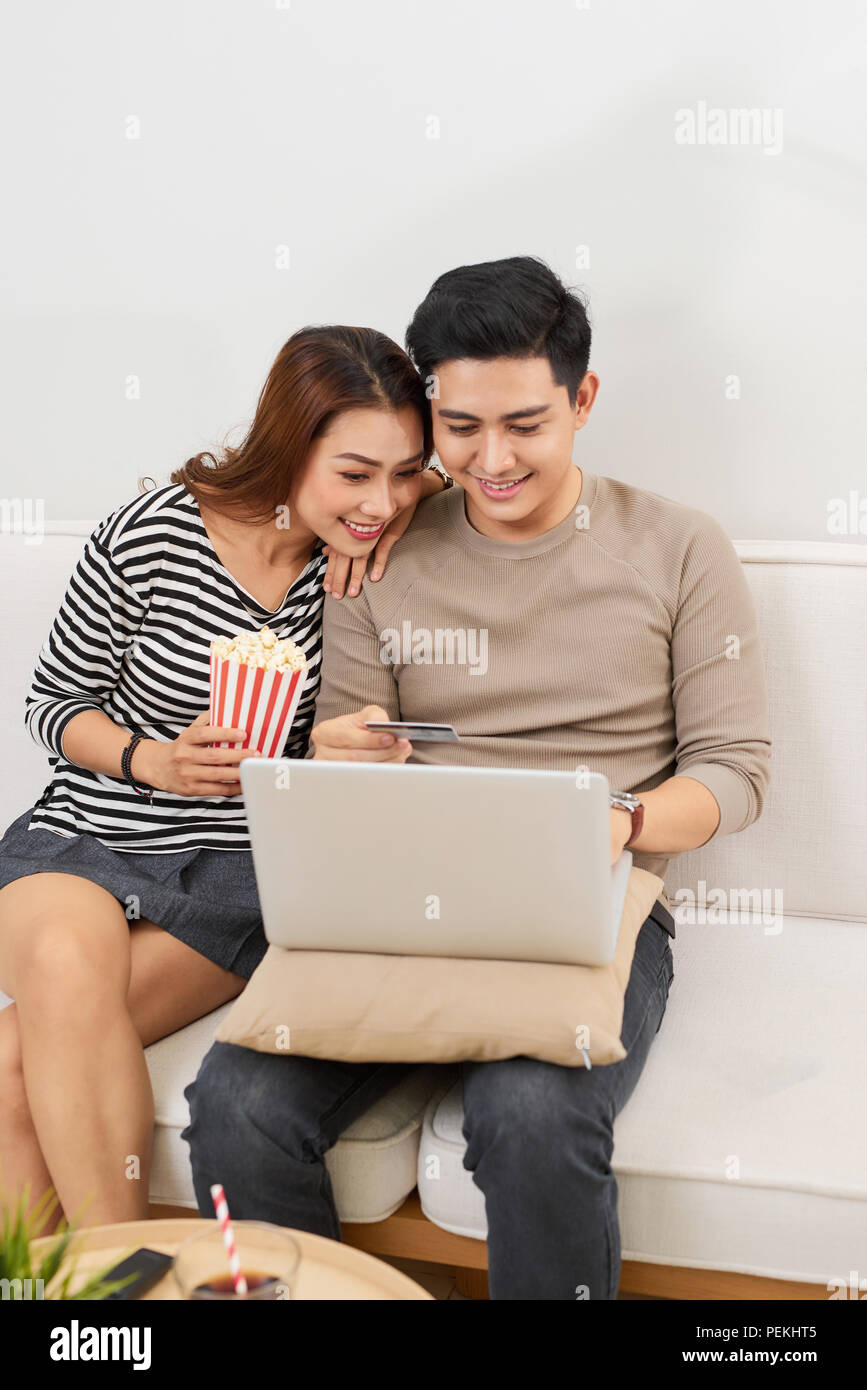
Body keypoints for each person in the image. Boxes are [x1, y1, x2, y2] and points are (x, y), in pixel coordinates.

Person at [182, 256, 772, 1299]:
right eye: (460, 429)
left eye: (526, 425)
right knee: (235, 1098)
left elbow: (735, 772)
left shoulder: (679, 546)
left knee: (531, 1112)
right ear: (429, 412)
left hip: (593, 902)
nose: (491, 459)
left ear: (583, 400)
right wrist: (340, 752)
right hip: (402, 906)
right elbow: (337, 735)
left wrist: (623, 818)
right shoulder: (384, 548)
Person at [0, 325, 449, 1232]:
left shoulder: (368, 561)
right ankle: (121, 1296)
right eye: (355, 474)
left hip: (241, 872)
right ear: (289, 447)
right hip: (92, 831)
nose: (381, 501)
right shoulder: (153, 532)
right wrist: (151, 758)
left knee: (12, 1063)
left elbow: (469, 480)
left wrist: (337, 752)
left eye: (404, 473)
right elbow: (54, 703)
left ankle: (95, 1313)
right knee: (57, 956)